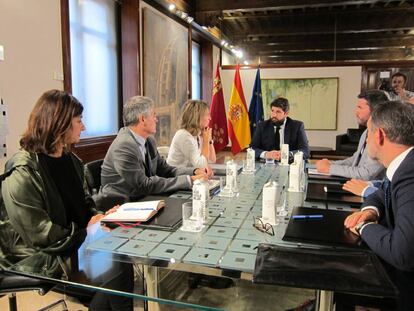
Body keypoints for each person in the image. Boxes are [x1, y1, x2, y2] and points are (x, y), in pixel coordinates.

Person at [0, 90, 132, 310]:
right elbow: (40, 235)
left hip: (70, 241)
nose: (84, 127)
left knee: (121, 254)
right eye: (79, 121)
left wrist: (95, 217)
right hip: (35, 256)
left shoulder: (71, 160)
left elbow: (84, 204)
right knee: (117, 265)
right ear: (59, 124)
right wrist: (87, 231)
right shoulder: (22, 172)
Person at [344, 100, 414, 311]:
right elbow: (382, 192)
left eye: (368, 132)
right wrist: (368, 212)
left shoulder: (410, 175)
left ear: (380, 135)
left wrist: (363, 227)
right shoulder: (403, 164)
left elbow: (403, 254)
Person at [100, 96, 209, 201]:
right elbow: (143, 184)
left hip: (144, 197)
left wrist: (194, 171)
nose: (156, 120)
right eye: (154, 115)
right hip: (122, 203)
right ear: (142, 119)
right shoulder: (124, 145)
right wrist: (188, 180)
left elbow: (166, 170)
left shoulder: (149, 141)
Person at [316, 90, 387, 180]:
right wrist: (331, 164)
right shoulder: (366, 132)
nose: (356, 112)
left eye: (360, 107)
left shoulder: (381, 136)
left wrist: (330, 168)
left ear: (375, 110)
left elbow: (366, 174)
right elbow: (355, 159)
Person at [167, 99, 216, 167]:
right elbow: (201, 165)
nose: (210, 118)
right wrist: (205, 141)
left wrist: (209, 141)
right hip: (175, 176)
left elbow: (212, 160)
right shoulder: (183, 136)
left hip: (186, 174)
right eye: (207, 115)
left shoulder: (196, 135)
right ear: (198, 117)